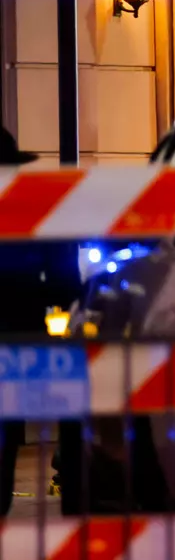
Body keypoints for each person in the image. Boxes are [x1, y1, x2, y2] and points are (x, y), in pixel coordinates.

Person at [0, 128, 83, 515]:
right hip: (20, 322)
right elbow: (64, 270)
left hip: (22, 318)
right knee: (9, 416)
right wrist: (62, 306)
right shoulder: (35, 205)